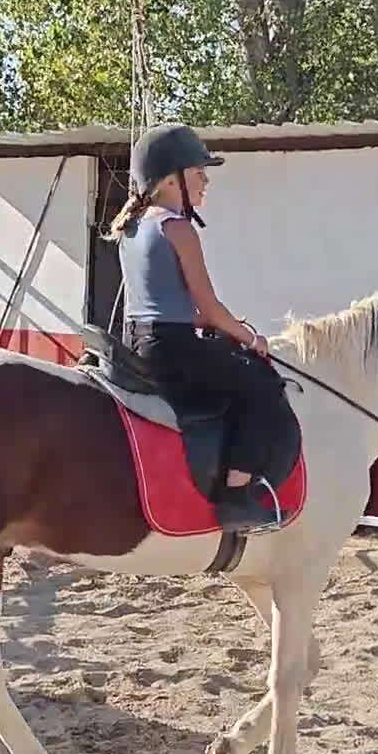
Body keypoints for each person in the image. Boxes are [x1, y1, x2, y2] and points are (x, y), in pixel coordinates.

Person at [105, 122, 289, 534]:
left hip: (140, 343)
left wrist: (218, 324)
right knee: (261, 386)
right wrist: (251, 338)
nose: (206, 181)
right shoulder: (177, 227)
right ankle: (236, 499)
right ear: (171, 179)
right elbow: (208, 306)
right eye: (199, 172)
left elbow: (170, 305)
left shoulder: (132, 227)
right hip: (174, 350)